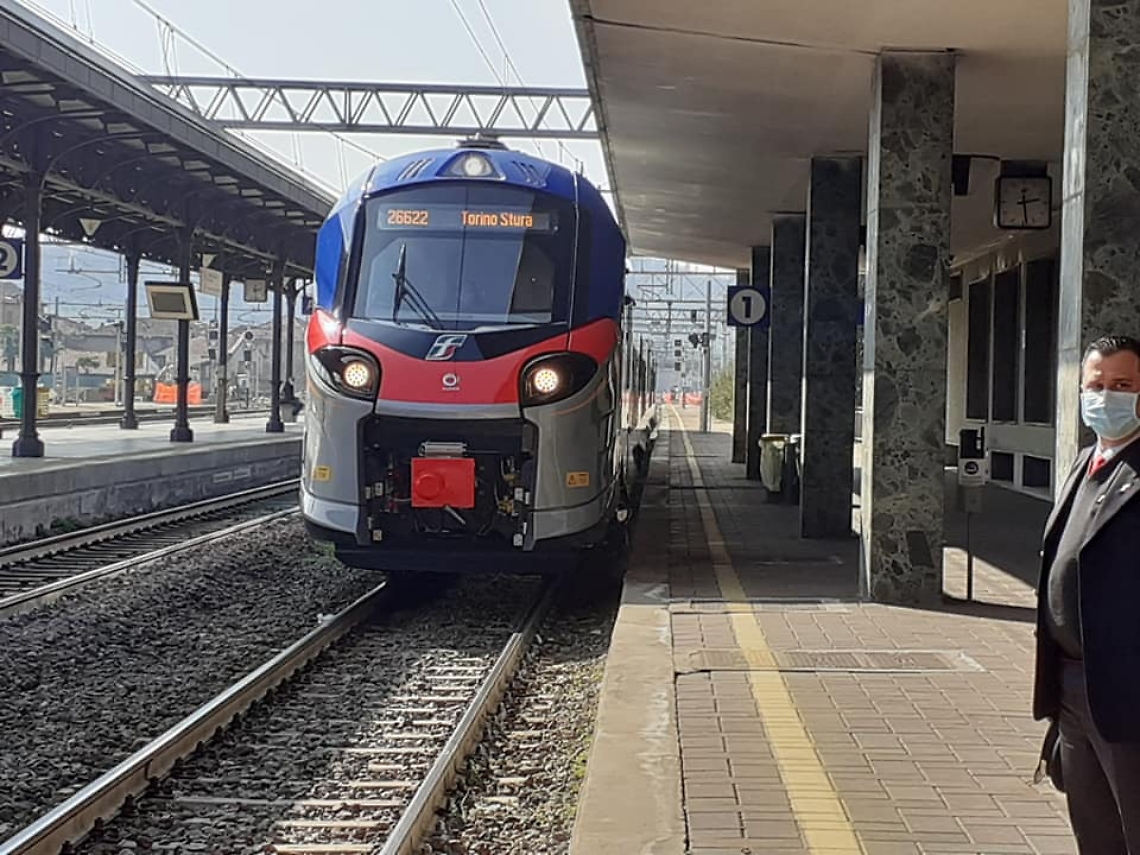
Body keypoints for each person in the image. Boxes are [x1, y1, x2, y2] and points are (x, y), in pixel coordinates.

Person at [1034, 334, 1140, 853]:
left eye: (1123, 385)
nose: (1106, 397)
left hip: (1127, 696)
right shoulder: (1084, 462)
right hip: (1073, 688)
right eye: (1095, 386)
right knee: (1096, 835)